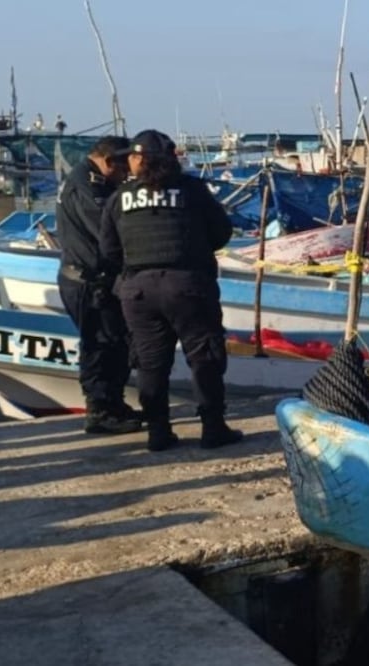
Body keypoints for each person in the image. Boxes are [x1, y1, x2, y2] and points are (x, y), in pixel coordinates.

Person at [98, 129, 243, 452]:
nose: (128, 162)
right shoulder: (192, 190)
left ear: (140, 160)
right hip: (188, 284)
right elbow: (221, 232)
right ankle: (213, 428)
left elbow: (108, 249)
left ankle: (158, 432)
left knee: (150, 362)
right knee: (204, 357)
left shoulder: (119, 198)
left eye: (132, 157)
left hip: (138, 290)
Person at [57, 135, 141, 435]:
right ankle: (100, 410)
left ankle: (113, 402)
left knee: (116, 343)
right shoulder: (88, 188)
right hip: (88, 281)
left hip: (98, 279)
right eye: (123, 168)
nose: (126, 175)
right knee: (100, 345)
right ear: (108, 162)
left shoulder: (92, 181)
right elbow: (110, 231)